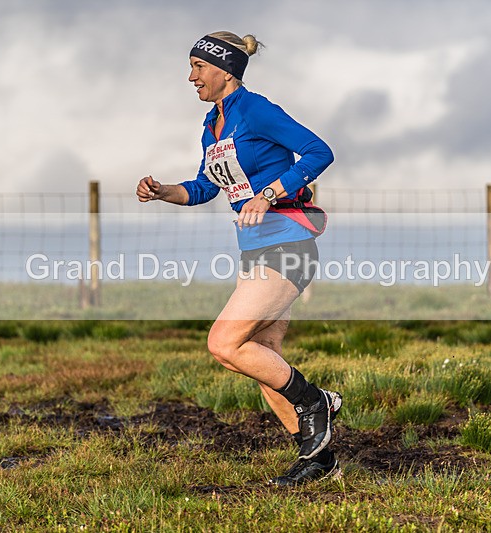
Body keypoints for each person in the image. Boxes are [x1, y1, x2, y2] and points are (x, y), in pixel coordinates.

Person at [136, 31, 341, 486]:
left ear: (225, 69)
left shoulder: (256, 110)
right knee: (263, 355)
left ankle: (316, 403)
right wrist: (163, 191)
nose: (191, 77)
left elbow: (319, 152)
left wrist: (269, 194)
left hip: (288, 241)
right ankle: (318, 461)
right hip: (257, 250)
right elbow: (206, 187)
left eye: (198, 67)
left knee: (224, 344)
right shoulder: (213, 124)